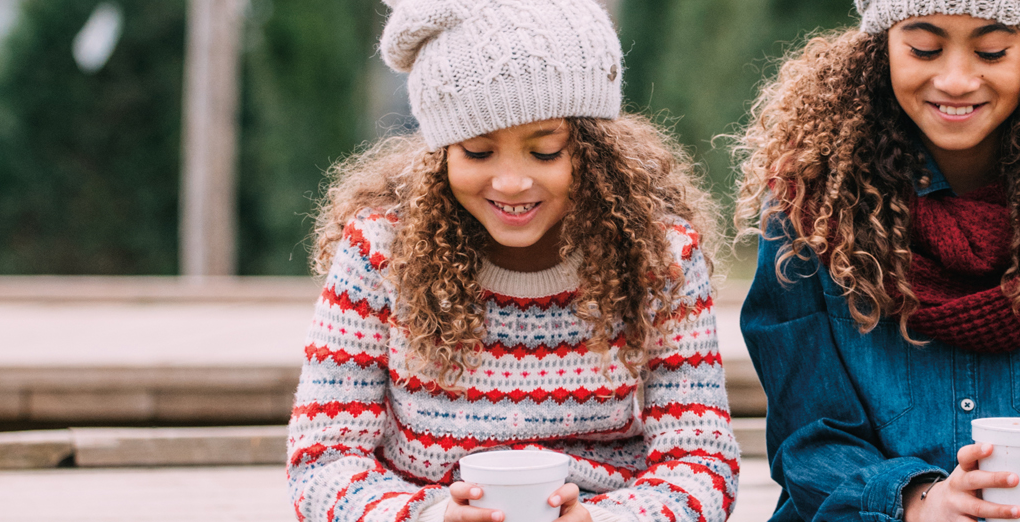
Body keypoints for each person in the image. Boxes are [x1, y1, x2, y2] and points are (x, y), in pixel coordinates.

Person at [286, 1, 738, 521]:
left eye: (545, 151)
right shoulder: (379, 251)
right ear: (441, 152)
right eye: (478, 152)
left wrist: (608, 518)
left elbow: (701, 457)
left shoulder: (661, 256)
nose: (511, 182)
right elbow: (322, 457)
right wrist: (425, 518)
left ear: (595, 149)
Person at [734, 1, 1020, 521]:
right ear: (880, 47)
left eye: (991, 51)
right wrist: (919, 504)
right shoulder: (809, 204)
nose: (955, 79)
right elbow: (807, 440)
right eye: (924, 48)